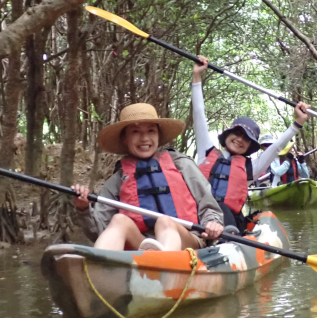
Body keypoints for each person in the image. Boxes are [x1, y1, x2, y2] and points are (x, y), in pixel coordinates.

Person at [72, 103, 224, 251]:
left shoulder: (181, 165)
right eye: (135, 132)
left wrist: (213, 224)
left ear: (158, 135)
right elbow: (98, 230)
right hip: (143, 244)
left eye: (151, 131)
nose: (144, 138)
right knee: (119, 220)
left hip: (187, 239)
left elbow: (208, 205)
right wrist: (83, 208)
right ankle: (100, 265)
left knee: (165, 221)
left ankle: (164, 266)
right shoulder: (118, 179)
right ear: (125, 139)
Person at [192, 56, 310, 230]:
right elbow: (198, 113)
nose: (240, 139)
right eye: (237, 134)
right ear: (227, 135)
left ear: (250, 146)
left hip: (228, 223)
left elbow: (277, 147)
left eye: (246, 138)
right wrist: (197, 77)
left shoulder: (251, 169)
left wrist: (298, 122)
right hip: (196, 217)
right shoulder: (206, 152)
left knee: (223, 209)